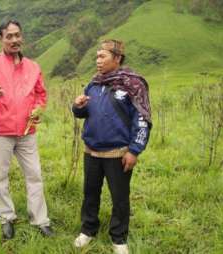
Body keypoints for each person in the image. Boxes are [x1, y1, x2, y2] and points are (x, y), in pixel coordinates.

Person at [0, 20, 53, 240]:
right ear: (0, 39)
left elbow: (41, 94)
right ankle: (6, 218)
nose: (14, 40)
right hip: (0, 131)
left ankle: (40, 220)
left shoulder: (33, 66)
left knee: (35, 175)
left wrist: (39, 108)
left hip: (27, 132)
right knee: (1, 178)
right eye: (9, 36)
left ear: (22, 37)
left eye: (17, 35)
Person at [72, 39, 151, 254]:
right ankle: (88, 230)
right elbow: (83, 114)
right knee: (90, 193)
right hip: (92, 151)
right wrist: (77, 107)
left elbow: (142, 119)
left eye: (102, 56)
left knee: (120, 197)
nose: (97, 61)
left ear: (117, 59)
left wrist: (134, 150)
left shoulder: (133, 85)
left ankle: (119, 238)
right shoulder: (94, 84)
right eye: (96, 56)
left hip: (118, 153)